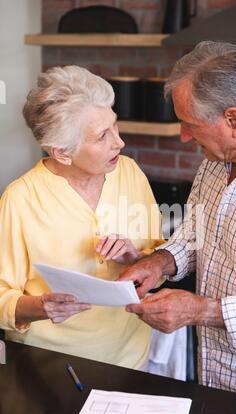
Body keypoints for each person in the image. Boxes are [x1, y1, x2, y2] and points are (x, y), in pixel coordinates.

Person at [119, 41, 236, 404]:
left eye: (190, 125)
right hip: (211, 373)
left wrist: (199, 309)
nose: (184, 136)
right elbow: (195, 233)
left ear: (233, 119)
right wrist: (159, 263)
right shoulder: (217, 158)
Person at [0, 65, 164, 369]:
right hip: (49, 367)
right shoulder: (20, 198)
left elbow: (160, 260)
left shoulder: (130, 173)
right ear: (62, 152)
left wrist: (137, 258)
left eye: (115, 126)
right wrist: (40, 307)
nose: (119, 142)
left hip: (131, 360)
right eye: (102, 136)